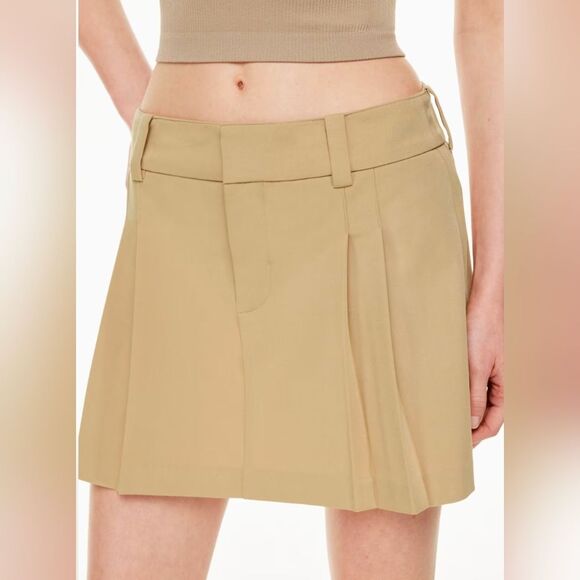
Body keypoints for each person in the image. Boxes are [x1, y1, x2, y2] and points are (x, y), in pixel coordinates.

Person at [78, 1, 503, 578]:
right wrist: (153, 121)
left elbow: (490, 18)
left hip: (376, 187)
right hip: (179, 202)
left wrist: (496, 291)